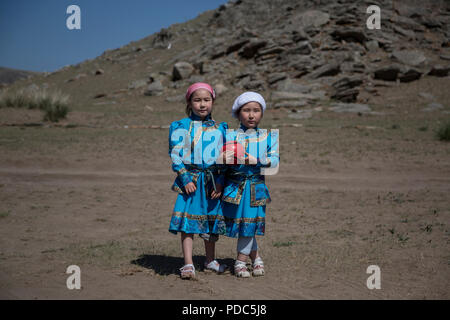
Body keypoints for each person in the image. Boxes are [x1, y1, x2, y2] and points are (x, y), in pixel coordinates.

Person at [168, 82, 228, 279]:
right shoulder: (181, 126)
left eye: (206, 100)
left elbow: (223, 158)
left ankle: (210, 260)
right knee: (188, 224)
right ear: (189, 102)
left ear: (213, 101)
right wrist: (184, 178)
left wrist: (220, 181)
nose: (202, 104)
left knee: (210, 222)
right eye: (197, 100)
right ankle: (188, 263)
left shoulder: (221, 129)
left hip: (212, 183)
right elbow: (176, 155)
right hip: (191, 182)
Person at [221, 92, 279, 278]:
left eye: (256, 110)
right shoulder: (229, 135)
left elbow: (275, 162)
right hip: (234, 189)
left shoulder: (269, 137)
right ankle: (257, 259)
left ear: (262, 113)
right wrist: (222, 159)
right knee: (247, 226)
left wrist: (257, 159)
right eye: (246, 110)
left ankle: (240, 262)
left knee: (248, 224)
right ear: (238, 113)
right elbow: (218, 164)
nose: (251, 115)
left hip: (256, 189)